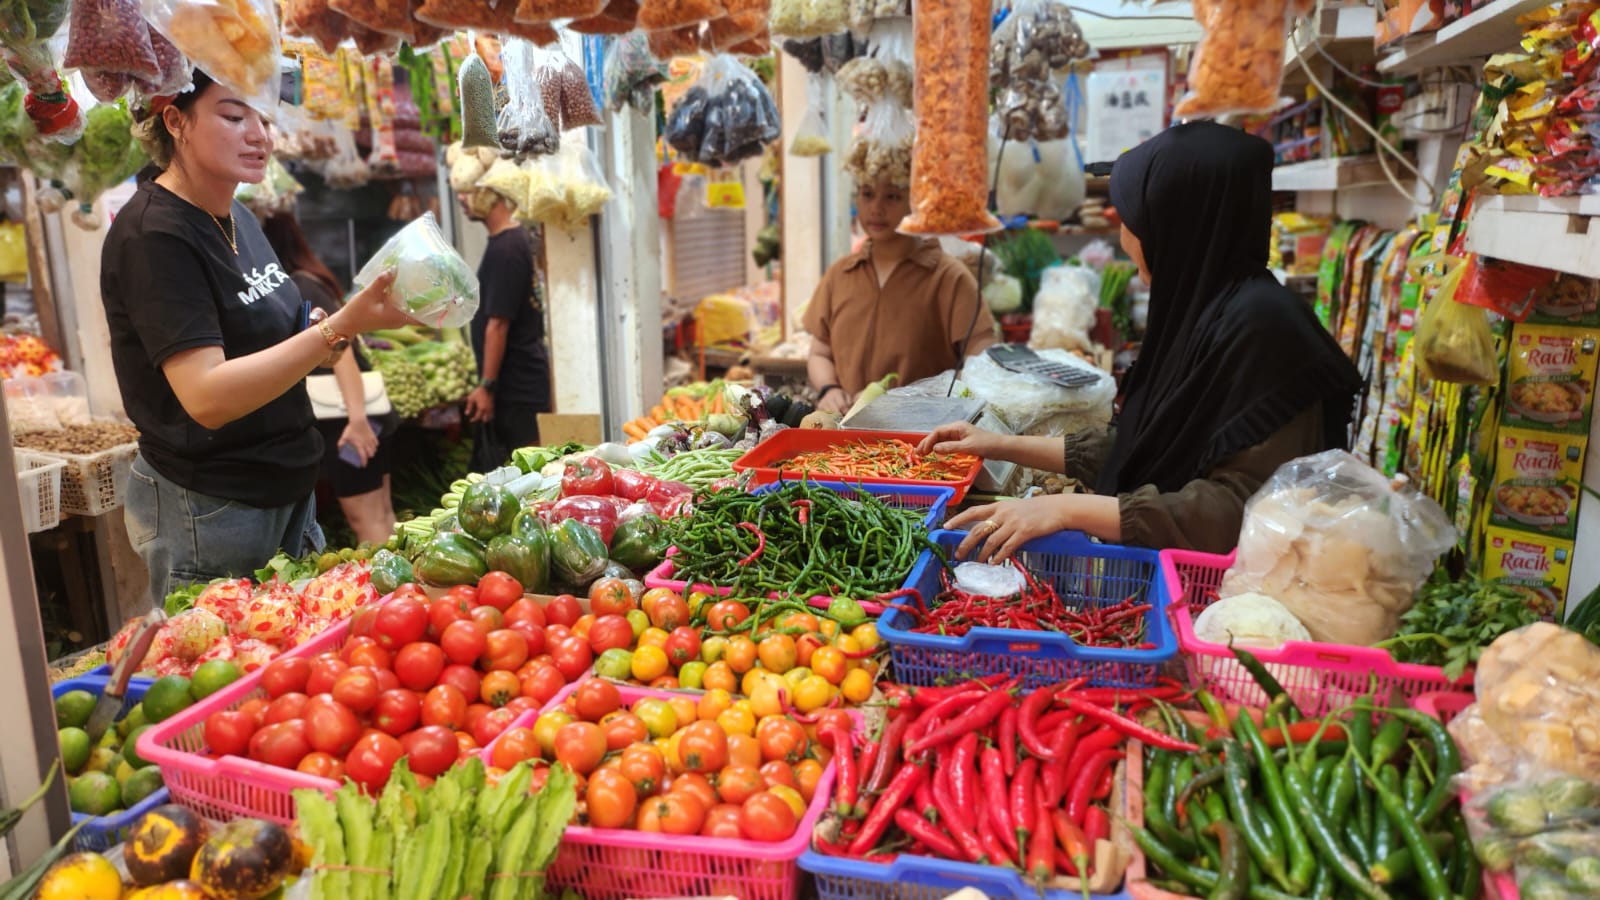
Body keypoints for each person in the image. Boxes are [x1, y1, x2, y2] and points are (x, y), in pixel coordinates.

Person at [925, 122, 1363, 559]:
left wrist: (1066, 509)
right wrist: (996, 444)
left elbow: (1238, 511)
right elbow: (1143, 444)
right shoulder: (1208, 309)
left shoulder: (1265, 331)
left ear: (1175, 225)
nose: (1123, 228)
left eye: (1133, 212)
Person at [104, 71, 409, 601]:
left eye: (264, 118)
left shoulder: (238, 215)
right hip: (211, 509)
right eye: (234, 115)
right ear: (175, 121)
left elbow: (281, 337)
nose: (259, 135)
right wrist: (342, 326)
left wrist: (352, 323)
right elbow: (207, 397)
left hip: (288, 493)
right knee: (230, 673)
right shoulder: (154, 236)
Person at [805, 174, 997, 416]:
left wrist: (920, 399)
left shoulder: (949, 278)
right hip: (844, 437)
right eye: (867, 194)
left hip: (923, 439)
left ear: (917, 202)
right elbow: (819, 352)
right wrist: (828, 389)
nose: (876, 207)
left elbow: (981, 364)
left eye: (892, 196)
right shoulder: (840, 274)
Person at [261, 211, 399, 545]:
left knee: (365, 518)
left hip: (348, 420)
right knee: (380, 514)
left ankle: (391, 593)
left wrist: (357, 421)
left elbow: (343, 353)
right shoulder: (310, 278)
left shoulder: (301, 283)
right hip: (363, 413)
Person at [457, 183, 552, 471]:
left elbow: (497, 324)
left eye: (467, 190)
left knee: (529, 469)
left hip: (518, 386)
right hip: (518, 381)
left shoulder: (507, 248)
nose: (461, 198)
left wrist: (486, 386)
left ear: (492, 192)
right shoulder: (508, 241)